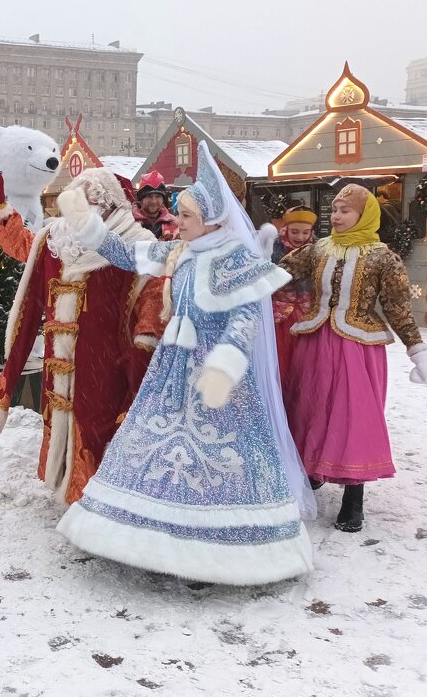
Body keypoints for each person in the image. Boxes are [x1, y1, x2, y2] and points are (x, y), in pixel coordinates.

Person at [53, 142, 314, 586]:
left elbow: (246, 317)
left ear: (212, 218)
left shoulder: (237, 259)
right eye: (179, 214)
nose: (178, 221)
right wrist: (83, 221)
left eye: (187, 216)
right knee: (155, 445)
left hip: (219, 379)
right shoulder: (179, 251)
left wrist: (226, 365)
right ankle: (141, 535)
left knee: (219, 457)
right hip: (172, 369)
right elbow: (124, 255)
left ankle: (219, 547)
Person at [0, 167, 165, 504]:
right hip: (60, 361)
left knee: (98, 425)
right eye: (81, 199)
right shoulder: (55, 240)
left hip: (107, 362)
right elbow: (24, 246)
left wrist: (144, 344)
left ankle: (96, 498)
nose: (88, 207)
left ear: (113, 205)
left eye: (96, 201)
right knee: (63, 417)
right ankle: (67, 481)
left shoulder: (134, 244)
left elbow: (153, 293)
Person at [280, 184, 427, 533]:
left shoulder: (383, 257)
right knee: (309, 408)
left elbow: (398, 308)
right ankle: (312, 470)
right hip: (314, 343)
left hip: (357, 348)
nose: (336, 216)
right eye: (334, 210)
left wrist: (417, 351)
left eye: (345, 210)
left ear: (364, 215)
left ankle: (354, 497)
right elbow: (280, 275)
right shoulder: (317, 249)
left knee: (353, 416)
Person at [271, 205, 318, 378]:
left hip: (309, 315)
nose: (300, 237)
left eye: (305, 233)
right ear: (286, 230)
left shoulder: (319, 251)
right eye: (295, 232)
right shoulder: (272, 250)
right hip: (280, 319)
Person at [133, 169, 179, 241]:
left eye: (158, 196)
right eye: (149, 196)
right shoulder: (130, 223)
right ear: (141, 200)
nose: (154, 201)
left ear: (163, 199)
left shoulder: (174, 223)